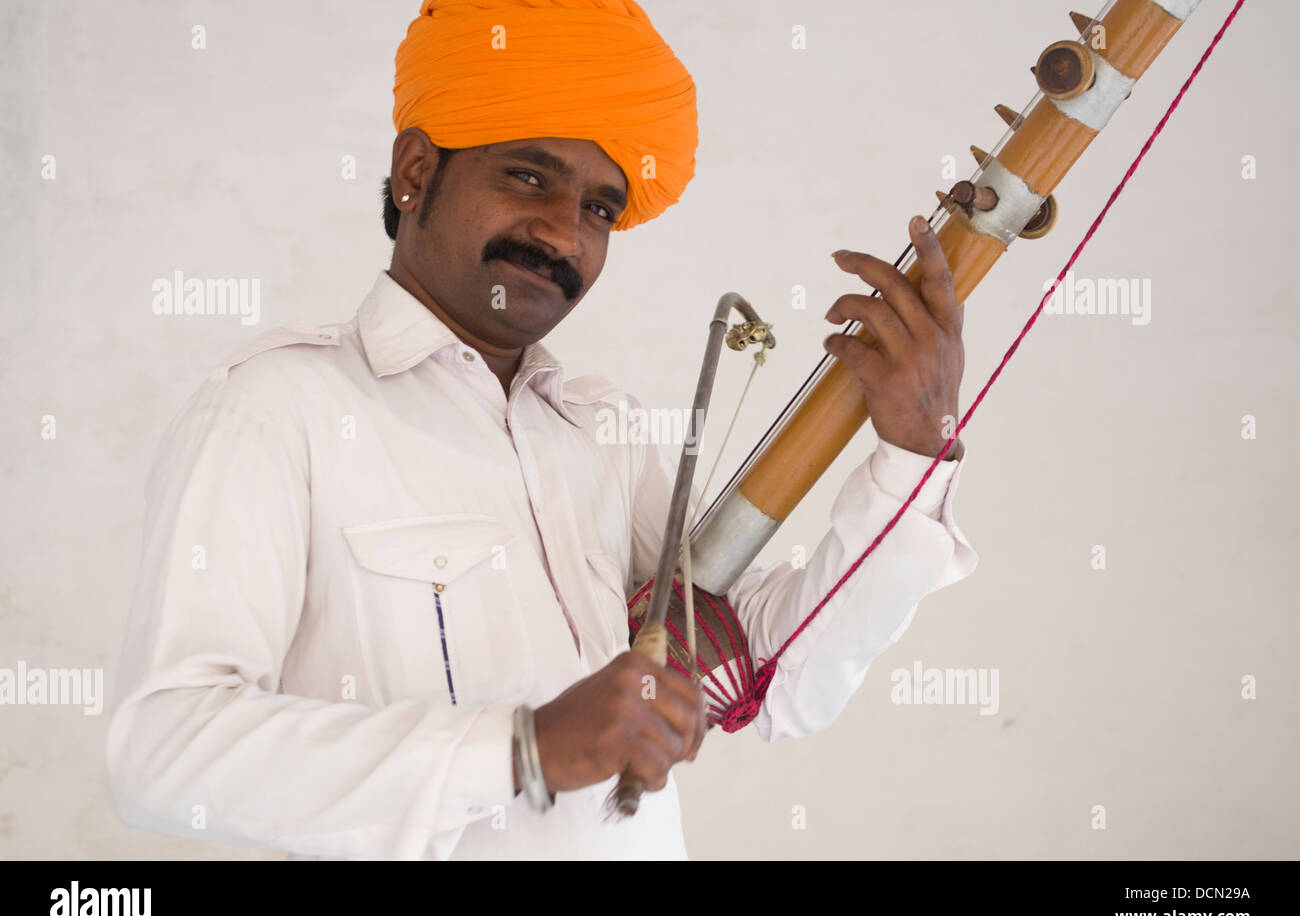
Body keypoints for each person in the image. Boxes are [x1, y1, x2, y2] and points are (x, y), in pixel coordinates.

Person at [106, 0, 978, 860]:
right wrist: (522, 748)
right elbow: (164, 751)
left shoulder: (604, 431)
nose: (565, 232)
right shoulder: (274, 409)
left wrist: (911, 451)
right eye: (529, 176)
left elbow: (780, 683)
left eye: (600, 209)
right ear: (416, 170)